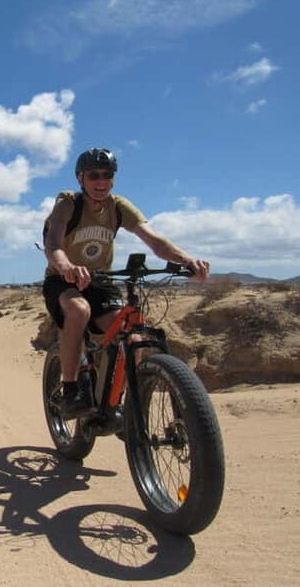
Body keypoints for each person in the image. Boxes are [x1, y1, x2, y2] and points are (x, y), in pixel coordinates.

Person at [43, 148, 209, 419]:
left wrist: (187, 260)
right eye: (94, 175)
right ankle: (72, 389)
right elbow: (53, 244)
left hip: (101, 281)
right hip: (62, 280)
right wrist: (67, 267)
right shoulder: (68, 203)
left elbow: (154, 241)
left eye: (107, 175)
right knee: (79, 311)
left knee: (132, 336)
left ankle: (124, 402)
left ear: (113, 179)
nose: (101, 181)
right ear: (80, 178)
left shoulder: (119, 207)